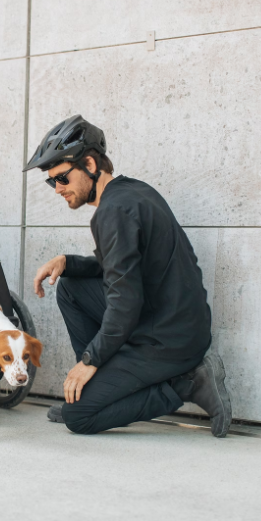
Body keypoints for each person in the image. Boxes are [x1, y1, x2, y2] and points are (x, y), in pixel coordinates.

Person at [24, 115, 232, 437]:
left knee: (78, 417)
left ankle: (188, 383)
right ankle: (93, 389)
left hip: (167, 340)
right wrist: (67, 262)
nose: (58, 189)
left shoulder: (113, 211)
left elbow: (125, 300)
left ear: (90, 164)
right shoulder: (131, 192)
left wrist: (90, 360)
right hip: (173, 322)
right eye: (52, 182)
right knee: (70, 287)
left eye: (62, 178)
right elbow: (118, 268)